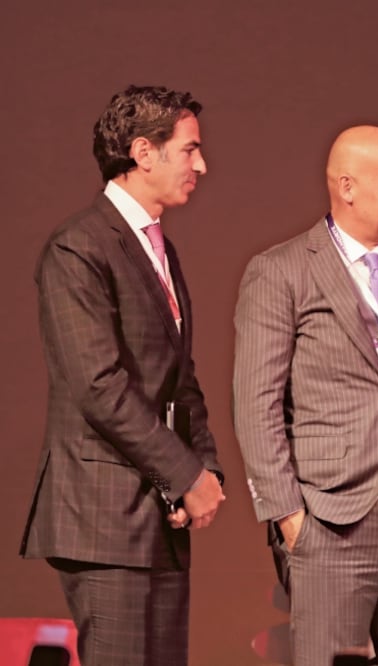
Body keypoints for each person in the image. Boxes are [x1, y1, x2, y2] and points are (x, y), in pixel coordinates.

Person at [233, 125, 378, 666]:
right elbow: (255, 403)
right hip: (331, 520)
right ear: (348, 187)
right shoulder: (281, 271)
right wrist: (288, 514)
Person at [20, 85, 226, 666]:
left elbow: (180, 376)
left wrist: (204, 467)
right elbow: (99, 387)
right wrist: (185, 473)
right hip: (104, 520)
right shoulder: (78, 247)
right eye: (190, 150)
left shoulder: (161, 248)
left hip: (160, 516)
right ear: (143, 152)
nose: (201, 165)